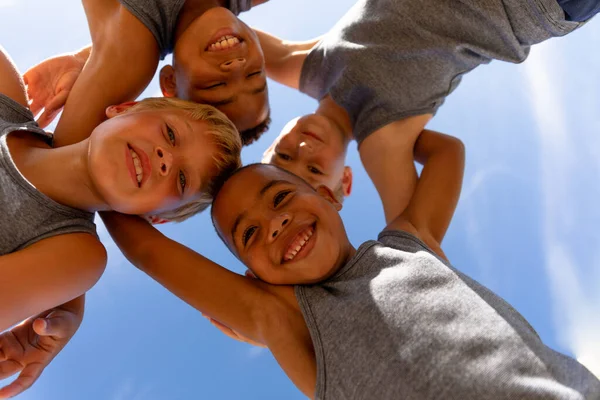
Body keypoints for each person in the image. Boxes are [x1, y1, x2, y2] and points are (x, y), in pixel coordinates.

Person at [8, 129, 600, 398]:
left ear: (329, 195)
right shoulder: (286, 320)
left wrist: (356, 126)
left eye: (282, 198)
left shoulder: (409, 243)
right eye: (249, 235)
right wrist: (97, 163)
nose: (276, 225)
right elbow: (143, 247)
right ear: (251, 276)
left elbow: (448, 150)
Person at [0, 43, 241, 396]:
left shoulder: (78, 255)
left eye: (181, 179)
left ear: (153, 217)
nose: (165, 158)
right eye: (170, 134)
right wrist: (84, 58)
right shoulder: (7, 90)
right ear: (124, 108)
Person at [255, 0, 598, 223]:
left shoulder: (304, 67)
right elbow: (416, 247)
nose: (302, 148)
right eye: (314, 168)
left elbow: (213, 26)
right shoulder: (381, 143)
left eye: (283, 155)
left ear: (268, 144)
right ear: (344, 179)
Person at [24, 0, 271, 146]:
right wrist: (83, 57)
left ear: (171, 82)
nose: (236, 66)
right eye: (254, 74)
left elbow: (61, 163)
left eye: (216, 85)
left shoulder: (130, 53)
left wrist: (96, 67)